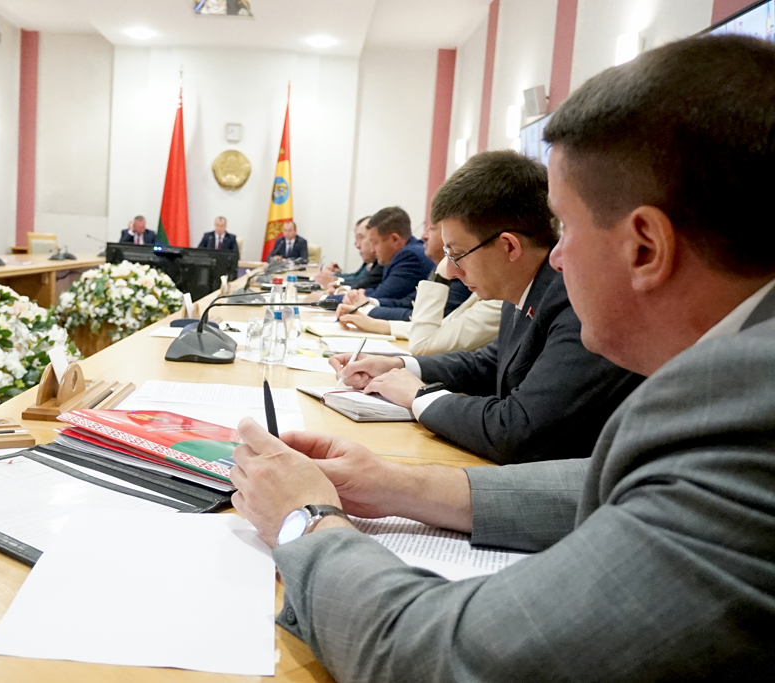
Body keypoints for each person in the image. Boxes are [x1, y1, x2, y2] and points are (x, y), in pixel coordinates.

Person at [229, 34, 775, 681]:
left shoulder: (751, 407)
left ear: (645, 247)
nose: (558, 257)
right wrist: (395, 484)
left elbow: (439, 659)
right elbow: (608, 486)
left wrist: (305, 521)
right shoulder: (738, 376)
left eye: (567, 227)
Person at [332, 151, 642, 464]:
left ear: (509, 246)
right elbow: (489, 363)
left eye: (456, 254)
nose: (451, 271)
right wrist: (399, 366)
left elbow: (517, 429)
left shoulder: (577, 299)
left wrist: (419, 396)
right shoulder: (523, 287)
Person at [337, 217, 502, 357]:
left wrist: (440, 275)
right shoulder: (484, 284)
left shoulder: (412, 255)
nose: (423, 236)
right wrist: (374, 324)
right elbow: (443, 327)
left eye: (432, 229)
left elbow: (423, 343)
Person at [328, 206, 434, 307]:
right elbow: (377, 291)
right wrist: (353, 294)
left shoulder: (410, 257)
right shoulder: (401, 254)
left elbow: (379, 296)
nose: (372, 250)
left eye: (375, 243)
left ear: (394, 239)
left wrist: (327, 299)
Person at [316, 216, 383, 291]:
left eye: (360, 237)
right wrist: (335, 276)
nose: (357, 245)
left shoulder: (383, 263)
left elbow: (362, 287)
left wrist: (335, 281)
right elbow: (357, 277)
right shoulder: (373, 260)